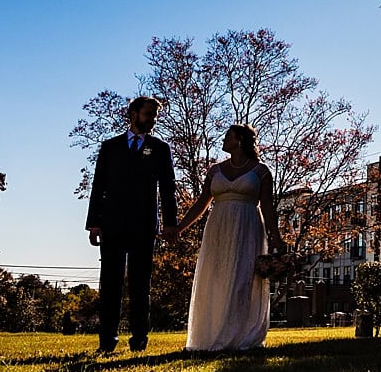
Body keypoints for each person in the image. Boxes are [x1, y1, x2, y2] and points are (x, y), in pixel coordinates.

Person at [177, 124, 285, 352]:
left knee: (242, 280)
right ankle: (210, 335)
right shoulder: (215, 171)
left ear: (240, 140)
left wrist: (274, 236)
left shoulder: (261, 171)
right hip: (218, 227)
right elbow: (201, 203)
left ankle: (240, 336)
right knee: (216, 278)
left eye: (228, 136)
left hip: (247, 227)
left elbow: (267, 206)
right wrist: (180, 228)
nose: (224, 140)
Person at [84, 96, 178, 353]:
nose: (152, 120)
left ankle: (139, 339)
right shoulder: (110, 147)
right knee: (110, 283)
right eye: (149, 114)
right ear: (134, 114)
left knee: (140, 285)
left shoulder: (160, 149)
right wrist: (94, 223)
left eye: (155, 116)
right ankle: (107, 341)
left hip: (144, 225)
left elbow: (168, 188)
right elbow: (98, 186)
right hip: (112, 224)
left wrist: (170, 223)